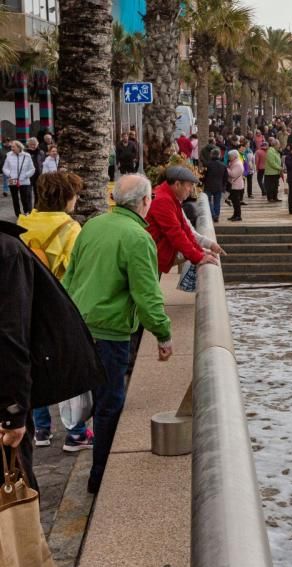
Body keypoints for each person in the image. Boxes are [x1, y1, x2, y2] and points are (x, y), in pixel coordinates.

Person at [62, 175, 174, 495]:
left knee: (95, 399)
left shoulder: (94, 226)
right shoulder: (138, 237)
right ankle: (100, 477)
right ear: (144, 202)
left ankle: (96, 466)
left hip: (81, 325)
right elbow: (147, 295)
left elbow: (71, 277)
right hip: (110, 332)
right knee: (110, 403)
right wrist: (163, 335)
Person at [1, 218, 105, 495]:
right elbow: (10, 337)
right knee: (16, 490)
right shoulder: (7, 250)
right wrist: (14, 415)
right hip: (5, 403)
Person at [17, 171, 94, 450]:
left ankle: (41, 431)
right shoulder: (70, 228)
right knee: (66, 365)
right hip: (60, 303)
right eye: (75, 194)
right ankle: (75, 432)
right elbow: (77, 269)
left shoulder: (24, 222)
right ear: (66, 197)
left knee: (35, 366)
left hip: (28, 301)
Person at [147, 166, 222, 275]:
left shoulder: (169, 197)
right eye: (190, 185)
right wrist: (198, 257)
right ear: (177, 185)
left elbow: (185, 229)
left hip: (154, 254)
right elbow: (176, 234)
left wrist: (200, 252)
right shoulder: (163, 200)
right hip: (149, 257)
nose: (191, 190)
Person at [3, 140, 35, 217]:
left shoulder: (27, 156)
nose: (12, 148)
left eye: (13, 147)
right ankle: (18, 214)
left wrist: (25, 175)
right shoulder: (9, 155)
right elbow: (5, 168)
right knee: (15, 198)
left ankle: (26, 212)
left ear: (19, 147)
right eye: (11, 147)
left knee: (25, 198)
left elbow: (32, 169)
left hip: (24, 181)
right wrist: (10, 174)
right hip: (12, 180)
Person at [202, 149, 227, 222]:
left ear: (211, 155)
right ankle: (216, 215)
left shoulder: (207, 164)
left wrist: (202, 183)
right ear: (219, 155)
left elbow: (203, 176)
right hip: (219, 186)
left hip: (208, 186)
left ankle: (213, 214)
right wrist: (223, 186)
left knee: (208, 201)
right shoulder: (223, 165)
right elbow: (225, 177)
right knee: (217, 202)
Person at [226, 149, 245, 222]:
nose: (229, 157)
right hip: (234, 185)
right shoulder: (233, 162)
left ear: (234, 156)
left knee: (236, 202)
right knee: (234, 201)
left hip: (236, 186)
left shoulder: (238, 164)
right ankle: (235, 215)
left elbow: (233, 174)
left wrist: (227, 169)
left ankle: (238, 216)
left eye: (230, 156)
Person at [264, 138, 282, 203]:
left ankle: (275, 197)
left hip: (276, 172)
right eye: (279, 144)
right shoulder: (270, 151)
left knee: (275, 186)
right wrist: (279, 168)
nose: (279, 146)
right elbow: (272, 163)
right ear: (275, 145)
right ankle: (270, 198)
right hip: (270, 173)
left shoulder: (276, 151)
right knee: (270, 186)